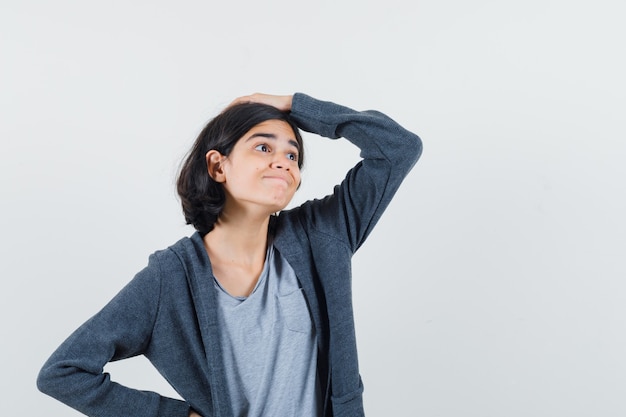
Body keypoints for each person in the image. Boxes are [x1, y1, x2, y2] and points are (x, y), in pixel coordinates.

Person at [37, 92, 423, 417]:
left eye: (293, 156)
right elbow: (64, 372)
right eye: (263, 147)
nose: (283, 162)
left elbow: (398, 147)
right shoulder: (171, 277)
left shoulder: (323, 234)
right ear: (218, 165)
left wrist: (290, 103)